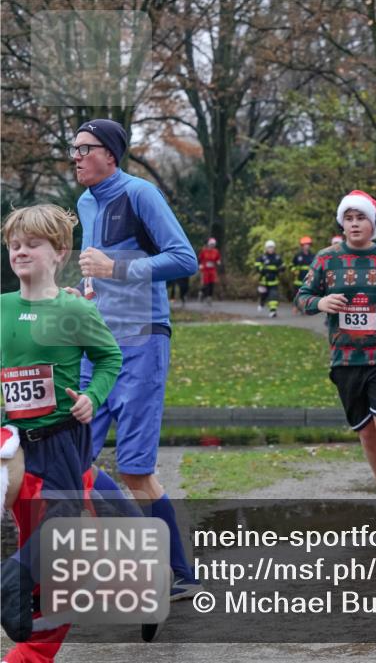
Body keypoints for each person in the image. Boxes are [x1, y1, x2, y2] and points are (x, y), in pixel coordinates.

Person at [71, 119, 201, 599]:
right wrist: (85, 291)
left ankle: (180, 573)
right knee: (72, 459)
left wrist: (116, 268)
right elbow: (96, 271)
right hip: (96, 343)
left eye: (85, 149)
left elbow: (183, 258)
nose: (76, 157)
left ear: (111, 153)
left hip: (143, 342)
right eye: (74, 149)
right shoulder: (85, 202)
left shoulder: (140, 194)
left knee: (135, 469)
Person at [1, 205, 123, 658]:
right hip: (12, 449)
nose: (21, 251)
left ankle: (20, 601)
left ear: (60, 252)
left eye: (33, 244)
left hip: (61, 441)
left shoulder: (73, 308)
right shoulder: (2, 308)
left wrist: (94, 396)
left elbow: (110, 357)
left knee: (69, 536)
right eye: (15, 245)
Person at [294, 191, 376, 533]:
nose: (355, 224)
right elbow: (302, 297)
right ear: (342, 223)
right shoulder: (326, 259)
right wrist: (321, 303)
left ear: (374, 222)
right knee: (369, 436)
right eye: (349, 218)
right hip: (345, 360)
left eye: (362, 218)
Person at [255, 239, 284, 317]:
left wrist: (280, 269)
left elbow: (282, 266)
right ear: (266, 248)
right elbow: (257, 266)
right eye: (269, 247)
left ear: (274, 248)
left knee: (273, 295)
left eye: (272, 247)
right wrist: (263, 269)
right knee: (263, 295)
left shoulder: (277, 258)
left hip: (274, 281)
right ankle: (261, 303)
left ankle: (273, 311)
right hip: (264, 281)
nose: (270, 249)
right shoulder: (262, 257)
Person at [290, 236, 314, 312]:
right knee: (297, 294)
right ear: (302, 246)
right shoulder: (297, 256)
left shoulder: (313, 256)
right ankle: (296, 306)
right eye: (305, 244)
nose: (307, 246)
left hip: (309, 279)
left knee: (307, 294)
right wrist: (294, 270)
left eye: (308, 244)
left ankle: (305, 308)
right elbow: (291, 265)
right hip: (298, 279)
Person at [197, 237, 221, 305]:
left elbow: (217, 258)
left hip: (212, 270)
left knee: (212, 283)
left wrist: (218, 261)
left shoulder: (216, 251)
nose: (212, 246)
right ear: (208, 244)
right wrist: (200, 265)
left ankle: (209, 297)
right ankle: (202, 293)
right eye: (211, 244)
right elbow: (200, 258)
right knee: (206, 284)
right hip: (205, 269)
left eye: (213, 244)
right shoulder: (204, 251)